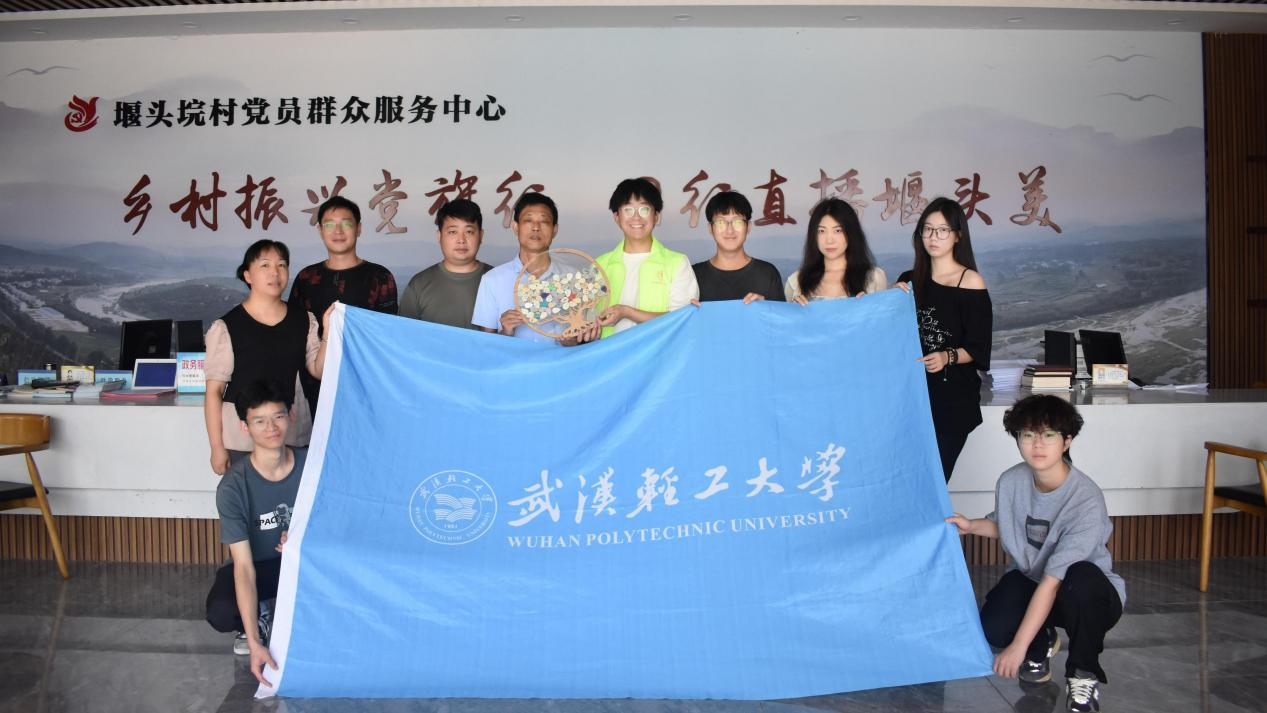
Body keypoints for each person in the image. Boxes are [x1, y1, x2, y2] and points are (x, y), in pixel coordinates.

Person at [946, 395, 1124, 713]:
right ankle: (1041, 644)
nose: (1037, 444)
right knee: (994, 625)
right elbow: (1007, 525)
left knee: (1082, 577)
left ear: (1067, 441)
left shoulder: (1085, 499)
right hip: (1036, 582)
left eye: (1048, 435)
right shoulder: (1011, 481)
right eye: (1027, 434)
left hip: (1085, 597)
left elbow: (1053, 581)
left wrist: (1018, 646)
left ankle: (1083, 674)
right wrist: (971, 525)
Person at [204, 379, 309, 686]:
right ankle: (259, 614)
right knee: (222, 611)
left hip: (302, 564)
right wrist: (254, 643)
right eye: (259, 421)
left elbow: (339, 524)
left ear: (290, 416)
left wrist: (305, 539)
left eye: (278, 416)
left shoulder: (312, 465)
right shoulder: (233, 487)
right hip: (258, 566)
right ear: (245, 427)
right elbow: (244, 567)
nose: (271, 428)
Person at [204, 240, 328, 476]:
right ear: (248, 275)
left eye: (282, 265)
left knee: (292, 498)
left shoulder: (304, 319)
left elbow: (318, 370)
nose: (275, 272)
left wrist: (328, 333)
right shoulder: (227, 326)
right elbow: (214, 392)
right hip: (242, 440)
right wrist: (216, 447)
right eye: (265, 265)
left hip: (291, 434)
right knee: (247, 497)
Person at [896, 197, 992, 482]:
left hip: (952, 400)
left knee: (933, 482)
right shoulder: (908, 279)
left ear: (957, 235)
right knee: (908, 482)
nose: (933, 237)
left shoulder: (970, 281)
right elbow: (893, 336)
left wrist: (946, 356)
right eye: (927, 229)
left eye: (942, 230)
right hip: (912, 398)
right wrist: (891, 300)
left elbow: (978, 346)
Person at [288, 196, 397, 414]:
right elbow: (295, 334)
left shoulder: (380, 277)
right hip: (315, 388)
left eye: (346, 224)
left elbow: (388, 337)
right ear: (320, 230)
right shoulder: (306, 278)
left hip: (366, 386)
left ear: (359, 229)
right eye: (329, 225)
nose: (338, 231)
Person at [471, 192, 599, 346]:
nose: (536, 227)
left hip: (562, 362)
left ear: (555, 229)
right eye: (528, 220)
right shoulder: (492, 280)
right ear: (515, 227)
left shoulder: (575, 278)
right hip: (514, 362)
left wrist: (573, 341)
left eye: (544, 221)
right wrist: (506, 332)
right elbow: (485, 346)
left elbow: (590, 338)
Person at [595, 177, 699, 337]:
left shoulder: (677, 263)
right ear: (616, 217)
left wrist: (627, 312)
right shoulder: (599, 266)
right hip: (610, 353)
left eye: (644, 210)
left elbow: (682, 320)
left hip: (659, 352)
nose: (636, 217)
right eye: (628, 210)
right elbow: (588, 320)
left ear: (656, 216)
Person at [399, 198, 493, 328]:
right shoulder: (418, 285)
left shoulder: (498, 280)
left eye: (469, 232)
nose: (461, 240)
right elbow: (403, 334)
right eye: (453, 232)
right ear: (439, 236)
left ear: (481, 235)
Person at [785, 198, 886, 303]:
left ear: (851, 233)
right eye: (821, 231)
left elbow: (885, 312)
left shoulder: (874, 278)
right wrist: (794, 308)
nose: (829, 240)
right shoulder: (795, 282)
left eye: (838, 231)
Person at [691, 190, 784, 303]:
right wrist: (688, 308)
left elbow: (779, 314)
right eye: (720, 222)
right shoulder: (693, 275)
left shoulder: (767, 274)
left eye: (738, 222)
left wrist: (766, 307)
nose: (730, 230)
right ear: (710, 228)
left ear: (748, 227)